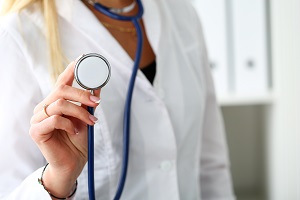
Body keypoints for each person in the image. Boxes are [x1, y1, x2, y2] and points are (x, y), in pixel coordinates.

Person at [0, 0, 235, 199]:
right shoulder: (18, 34)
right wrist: (58, 177)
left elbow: (211, 167)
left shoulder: (181, 12)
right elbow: (9, 187)